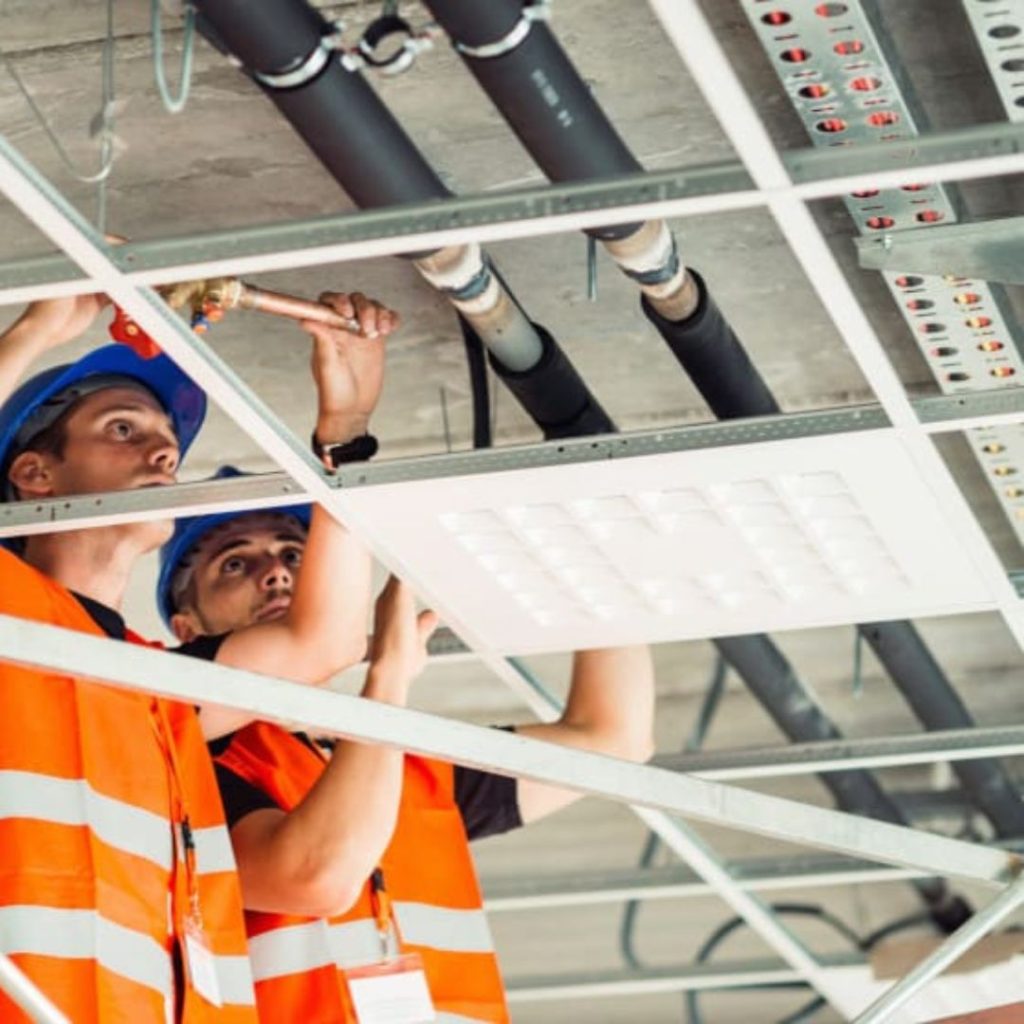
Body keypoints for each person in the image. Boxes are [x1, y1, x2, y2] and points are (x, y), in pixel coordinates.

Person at [159, 421, 656, 1021]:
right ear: (186, 631)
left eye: (293, 554)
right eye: (235, 565)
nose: (278, 572)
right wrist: (388, 679)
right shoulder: (183, 765)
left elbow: (613, 738)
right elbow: (312, 875)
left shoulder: (405, 767)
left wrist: (589, 558)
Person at [0, 293, 257, 1022]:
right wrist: (39, 328)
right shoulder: (6, 608)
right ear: (36, 476)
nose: (163, 453)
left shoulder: (155, 686)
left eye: (166, 442)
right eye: (123, 428)